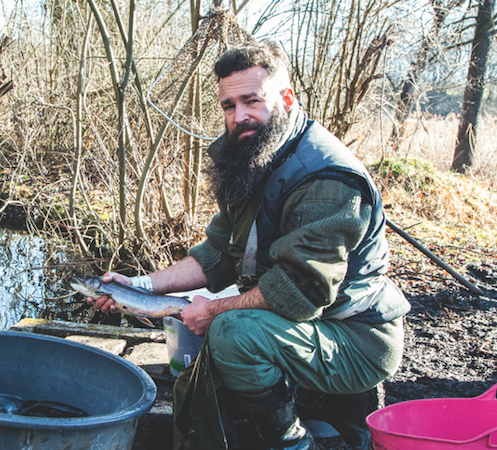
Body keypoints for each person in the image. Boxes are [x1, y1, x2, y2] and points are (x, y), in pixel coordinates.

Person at [87, 40, 409, 450]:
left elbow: (300, 291)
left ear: (287, 98)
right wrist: (139, 287)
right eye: (228, 105)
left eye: (252, 101)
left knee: (231, 331)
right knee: (222, 323)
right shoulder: (258, 155)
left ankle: (293, 443)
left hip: (357, 340)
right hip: (311, 325)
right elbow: (218, 254)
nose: (240, 117)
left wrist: (213, 309)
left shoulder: (325, 179)